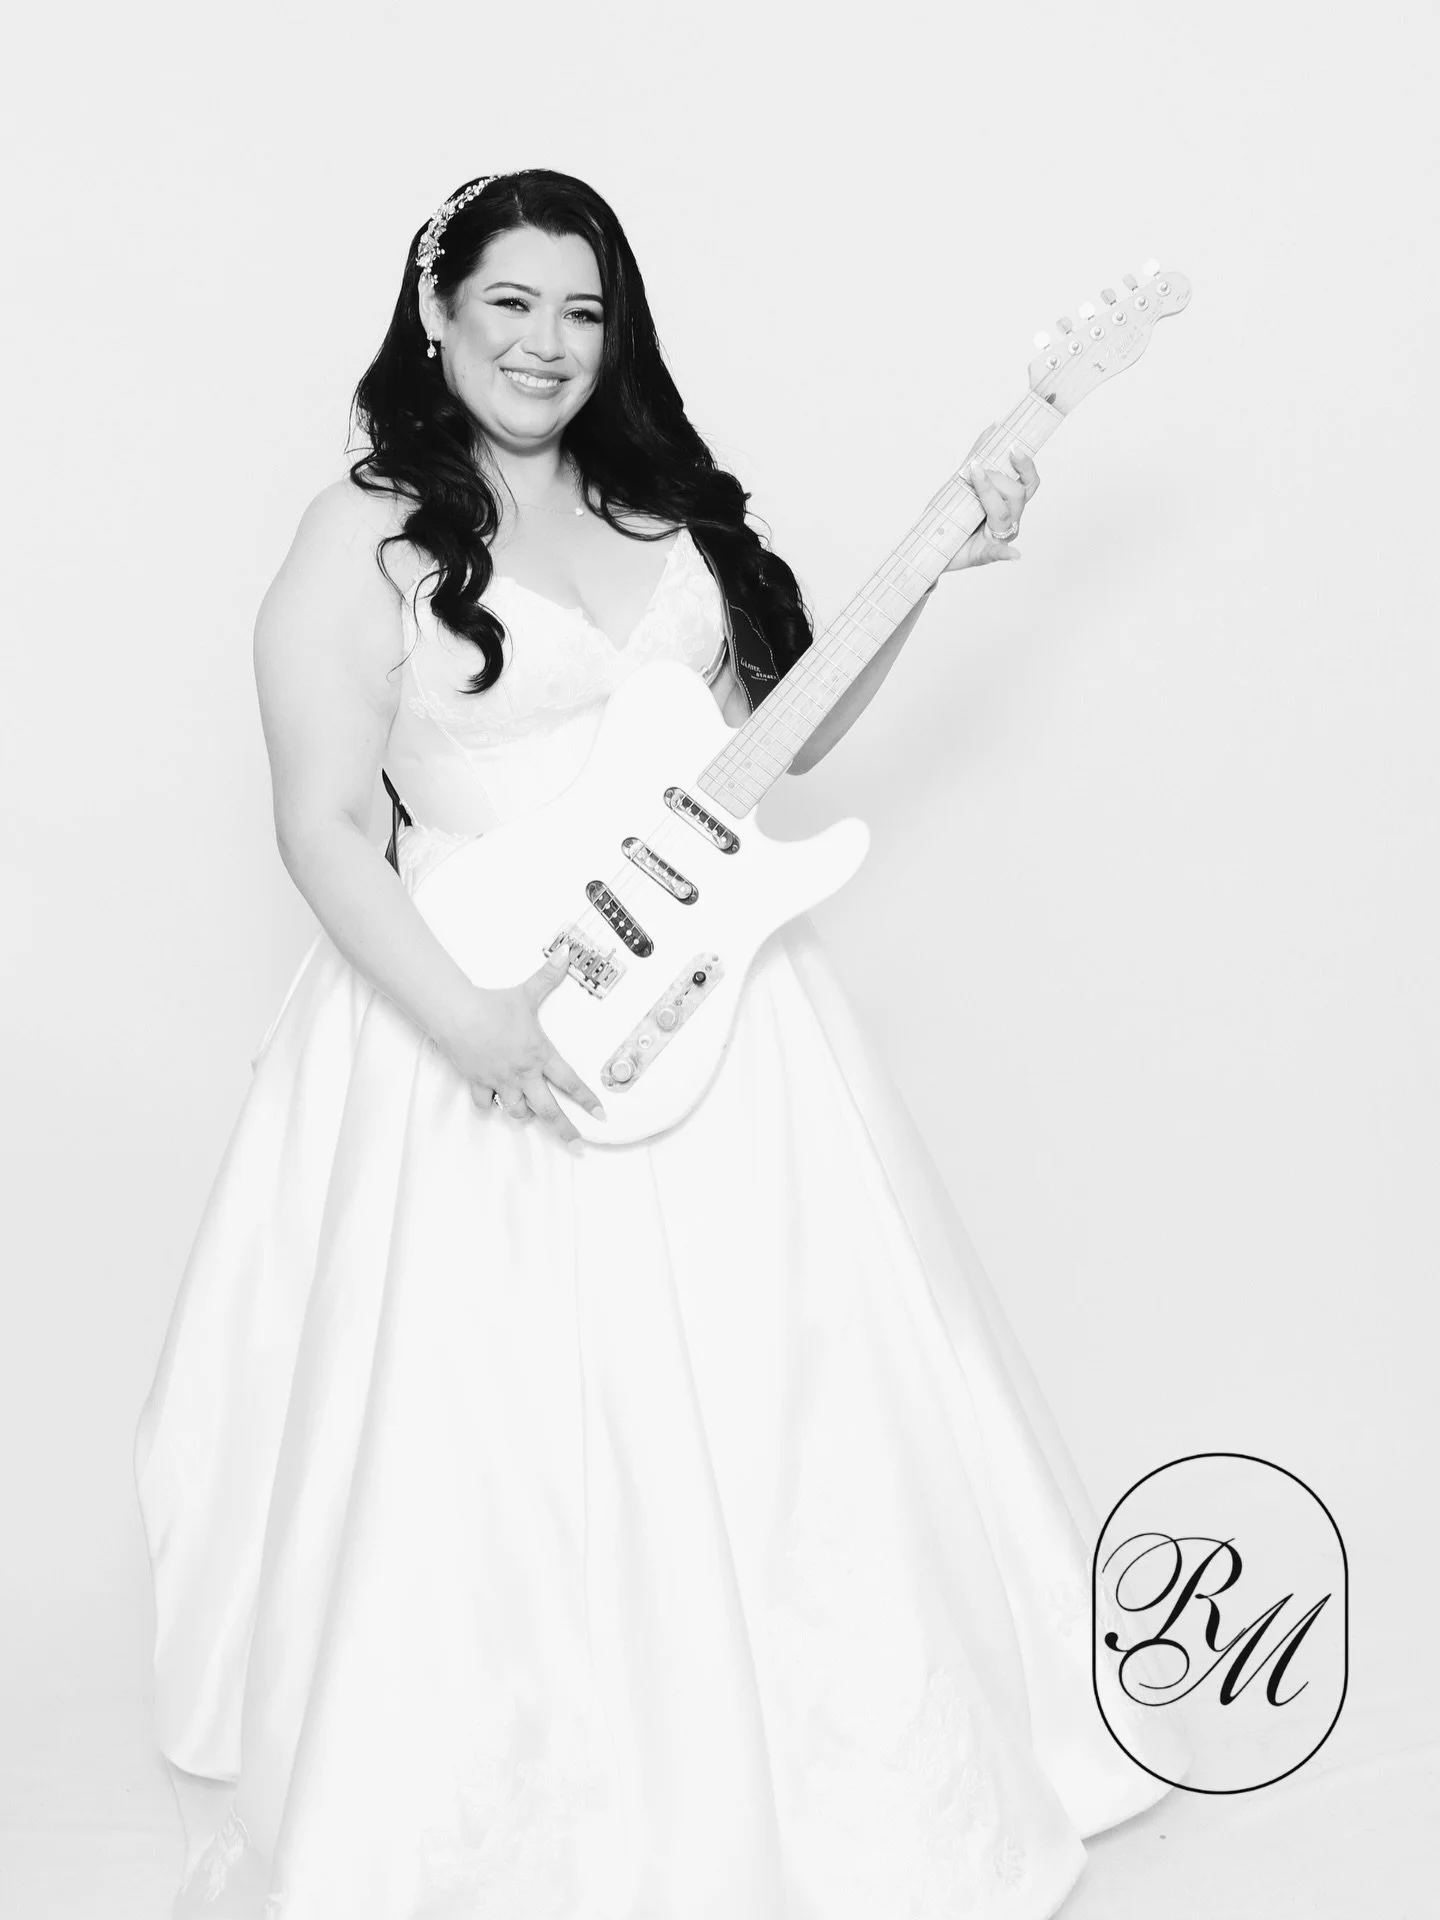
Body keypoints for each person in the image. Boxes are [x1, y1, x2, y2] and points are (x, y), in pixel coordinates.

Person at [133, 169, 1185, 1919]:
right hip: (471, 998)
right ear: (440, 310)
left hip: (714, 1007)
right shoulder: (367, 528)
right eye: (512, 304)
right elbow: (321, 819)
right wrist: (469, 1019)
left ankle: (826, 1802)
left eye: (582, 310)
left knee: (790, 1398)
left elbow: (790, 733)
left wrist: (938, 564)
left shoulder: (661, 508)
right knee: (493, 1433)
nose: (546, 344)